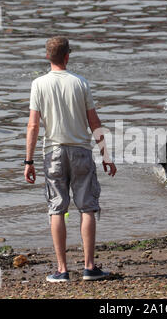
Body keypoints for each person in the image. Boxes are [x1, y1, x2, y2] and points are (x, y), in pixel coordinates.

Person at [24, 36, 117, 282]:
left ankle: (62, 270)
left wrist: (28, 161)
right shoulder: (80, 83)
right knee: (87, 207)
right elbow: (94, 122)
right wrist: (106, 155)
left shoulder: (38, 84)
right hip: (81, 151)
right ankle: (89, 267)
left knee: (57, 209)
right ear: (67, 56)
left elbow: (33, 125)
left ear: (47, 57)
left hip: (53, 152)